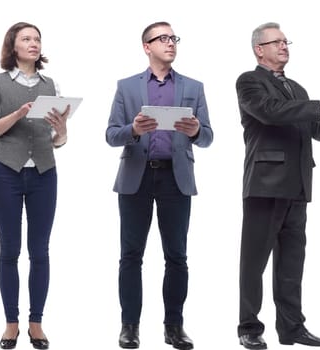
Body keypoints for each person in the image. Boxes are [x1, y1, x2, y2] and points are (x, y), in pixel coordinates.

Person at [235, 22, 320, 350]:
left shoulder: (296, 87)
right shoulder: (249, 81)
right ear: (259, 49)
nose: (284, 46)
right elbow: (269, 112)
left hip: (297, 184)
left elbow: (317, 129)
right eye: (276, 42)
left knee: (292, 261)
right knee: (254, 261)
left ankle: (292, 328)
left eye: (286, 41)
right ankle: (249, 328)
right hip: (265, 184)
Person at [105, 21, 213, 350]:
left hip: (175, 178)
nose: (170, 43)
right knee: (130, 256)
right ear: (146, 46)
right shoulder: (127, 87)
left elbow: (208, 136)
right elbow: (111, 135)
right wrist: (134, 130)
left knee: (177, 257)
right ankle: (129, 326)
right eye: (162, 38)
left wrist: (194, 131)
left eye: (173, 38)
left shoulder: (194, 87)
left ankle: (174, 327)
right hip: (136, 177)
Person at [0, 22, 69, 350]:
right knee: (9, 250)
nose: (33, 43)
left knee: (40, 251)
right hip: (7, 173)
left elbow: (58, 140)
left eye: (37, 39)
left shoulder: (51, 83)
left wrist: (61, 130)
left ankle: (37, 323)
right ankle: (10, 323)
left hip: (45, 173)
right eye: (26, 39)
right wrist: (16, 114)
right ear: (13, 46)